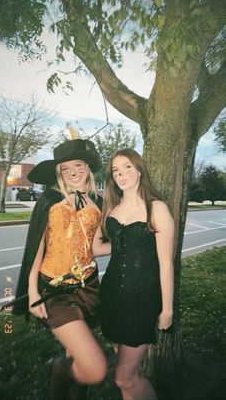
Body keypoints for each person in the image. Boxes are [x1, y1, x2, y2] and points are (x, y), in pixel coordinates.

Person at [14, 139, 107, 400]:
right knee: (95, 368)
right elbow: (36, 250)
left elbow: (97, 247)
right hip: (55, 290)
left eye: (78, 165)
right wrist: (33, 292)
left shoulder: (98, 203)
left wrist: (132, 244)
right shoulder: (50, 201)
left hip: (89, 287)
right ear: (59, 174)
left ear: (87, 168)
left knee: (76, 356)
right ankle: (58, 370)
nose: (73, 173)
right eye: (66, 169)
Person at [92, 148, 174, 400]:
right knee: (125, 371)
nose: (122, 174)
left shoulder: (156, 207)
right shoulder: (111, 208)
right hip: (112, 295)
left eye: (127, 167)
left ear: (139, 169)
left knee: (124, 378)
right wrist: (97, 213)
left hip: (141, 299)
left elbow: (166, 263)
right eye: (116, 170)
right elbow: (97, 248)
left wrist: (167, 309)